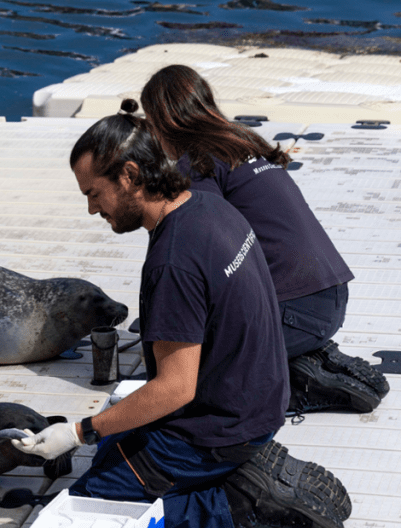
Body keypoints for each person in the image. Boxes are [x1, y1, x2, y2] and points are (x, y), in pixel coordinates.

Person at [14, 102, 350, 528]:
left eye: (94, 193)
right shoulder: (209, 207)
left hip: (221, 427)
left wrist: (78, 431)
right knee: (112, 449)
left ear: (130, 176)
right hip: (261, 399)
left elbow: (175, 389)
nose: (93, 210)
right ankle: (238, 464)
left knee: (94, 498)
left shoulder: (172, 264)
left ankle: (236, 503)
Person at [140, 64, 389, 415]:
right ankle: (304, 356)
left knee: (193, 383)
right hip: (329, 297)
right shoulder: (242, 141)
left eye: (150, 123)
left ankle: (298, 388)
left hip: (295, 311)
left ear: (163, 121)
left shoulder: (196, 163)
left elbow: (193, 249)